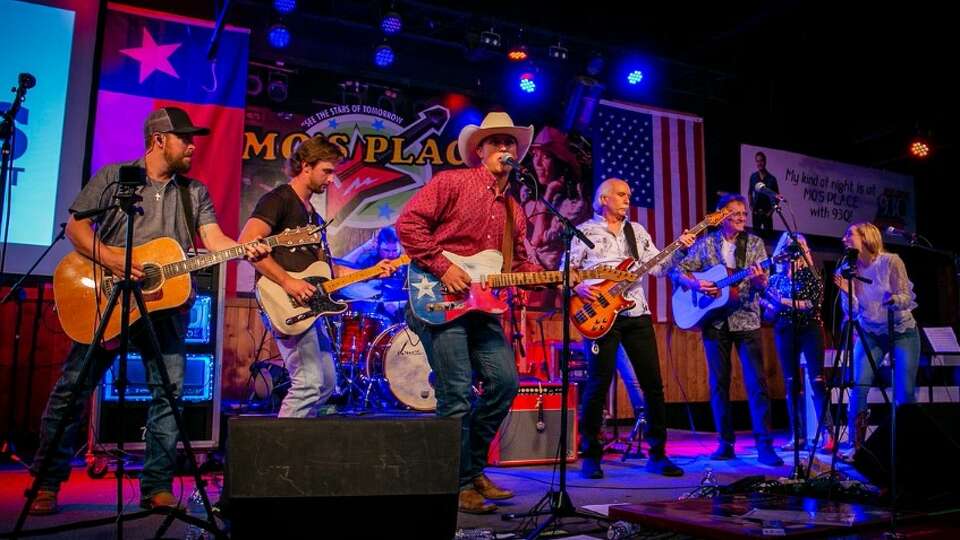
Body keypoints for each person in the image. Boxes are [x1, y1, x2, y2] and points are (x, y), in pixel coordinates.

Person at [28, 107, 270, 515]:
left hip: (164, 308)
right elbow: (76, 228)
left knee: (169, 395)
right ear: (159, 140)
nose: (193, 145)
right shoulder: (115, 177)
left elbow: (213, 239)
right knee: (72, 392)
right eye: (184, 138)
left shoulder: (194, 193)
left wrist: (245, 248)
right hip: (107, 300)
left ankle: (156, 485)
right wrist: (111, 258)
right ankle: (46, 482)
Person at [396, 111, 543, 514]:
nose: (503, 148)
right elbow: (408, 224)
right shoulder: (452, 183)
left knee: (505, 383)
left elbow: (515, 269)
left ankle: (473, 468)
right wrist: (445, 267)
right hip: (438, 301)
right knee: (457, 393)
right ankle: (457, 482)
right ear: (479, 150)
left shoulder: (517, 209)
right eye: (494, 142)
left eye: (509, 142)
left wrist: (551, 277)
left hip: (482, 310)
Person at [238, 134, 398, 419]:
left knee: (325, 383)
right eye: (327, 171)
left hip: (309, 306)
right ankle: (281, 458)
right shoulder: (279, 199)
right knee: (308, 383)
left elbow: (329, 272)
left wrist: (373, 270)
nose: (331, 179)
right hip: (284, 299)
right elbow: (248, 242)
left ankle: (298, 450)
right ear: (305, 166)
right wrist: (288, 282)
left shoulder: (314, 217)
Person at [569, 178, 694, 478]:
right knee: (599, 382)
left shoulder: (637, 232)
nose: (628, 200)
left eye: (629, 195)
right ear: (604, 199)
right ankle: (591, 455)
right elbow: (568, 270)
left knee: (652, 384)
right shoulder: (585, 231)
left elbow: (659, 268)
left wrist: (680, 249)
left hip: (636, 312)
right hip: (599, 314)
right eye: (622, 195)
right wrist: (581, 287)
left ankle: (658, 454)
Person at [672, 194, 784, 466]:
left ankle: (765, 446)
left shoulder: (754, 244)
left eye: (744, 214)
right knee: (718, 385)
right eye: (736, 213)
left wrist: (759, 280)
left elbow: (762, 286)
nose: (742, 218)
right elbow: (677, 270)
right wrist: (697, 285)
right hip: (715, 322)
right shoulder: (706, 243)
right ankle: (725, 443)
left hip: (746, 320)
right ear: (721, 216)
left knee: (757, 384)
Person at [833, 222, 919, 449]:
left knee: (904, 391)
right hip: (870, 331)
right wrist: (846, 290)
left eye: (849, 235)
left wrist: (893, 300)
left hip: (901, 331)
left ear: (866, 237)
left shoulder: (891, 261)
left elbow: (906, 297)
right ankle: (856, 446)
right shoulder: (847, 269)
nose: (844, 239)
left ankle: (905, 445)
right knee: (859, 386)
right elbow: (851, 312)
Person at [764, 232, 835, 452]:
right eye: (790, 246)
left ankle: (828, 433)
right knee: (791, 382)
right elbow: (768, 316)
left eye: (800, 245)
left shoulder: (813, 275)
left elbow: (812, 304)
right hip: (785, 330)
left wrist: (781, 301)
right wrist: (770, 307)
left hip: (810, 328)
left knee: (817, 380)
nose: (795, 249)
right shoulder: (775, 279)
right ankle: (798, 435)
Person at [747, 151, 779, 235]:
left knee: (768, 239)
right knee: (755, 238)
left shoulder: (772, 179)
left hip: (767, 214)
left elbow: (777, 197)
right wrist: (751, 206)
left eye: (761, 161)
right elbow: (749, 192)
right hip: (756, 213)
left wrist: (771, 211)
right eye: (757, 161)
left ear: (765, 161)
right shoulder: (753, 177)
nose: (759, 163)